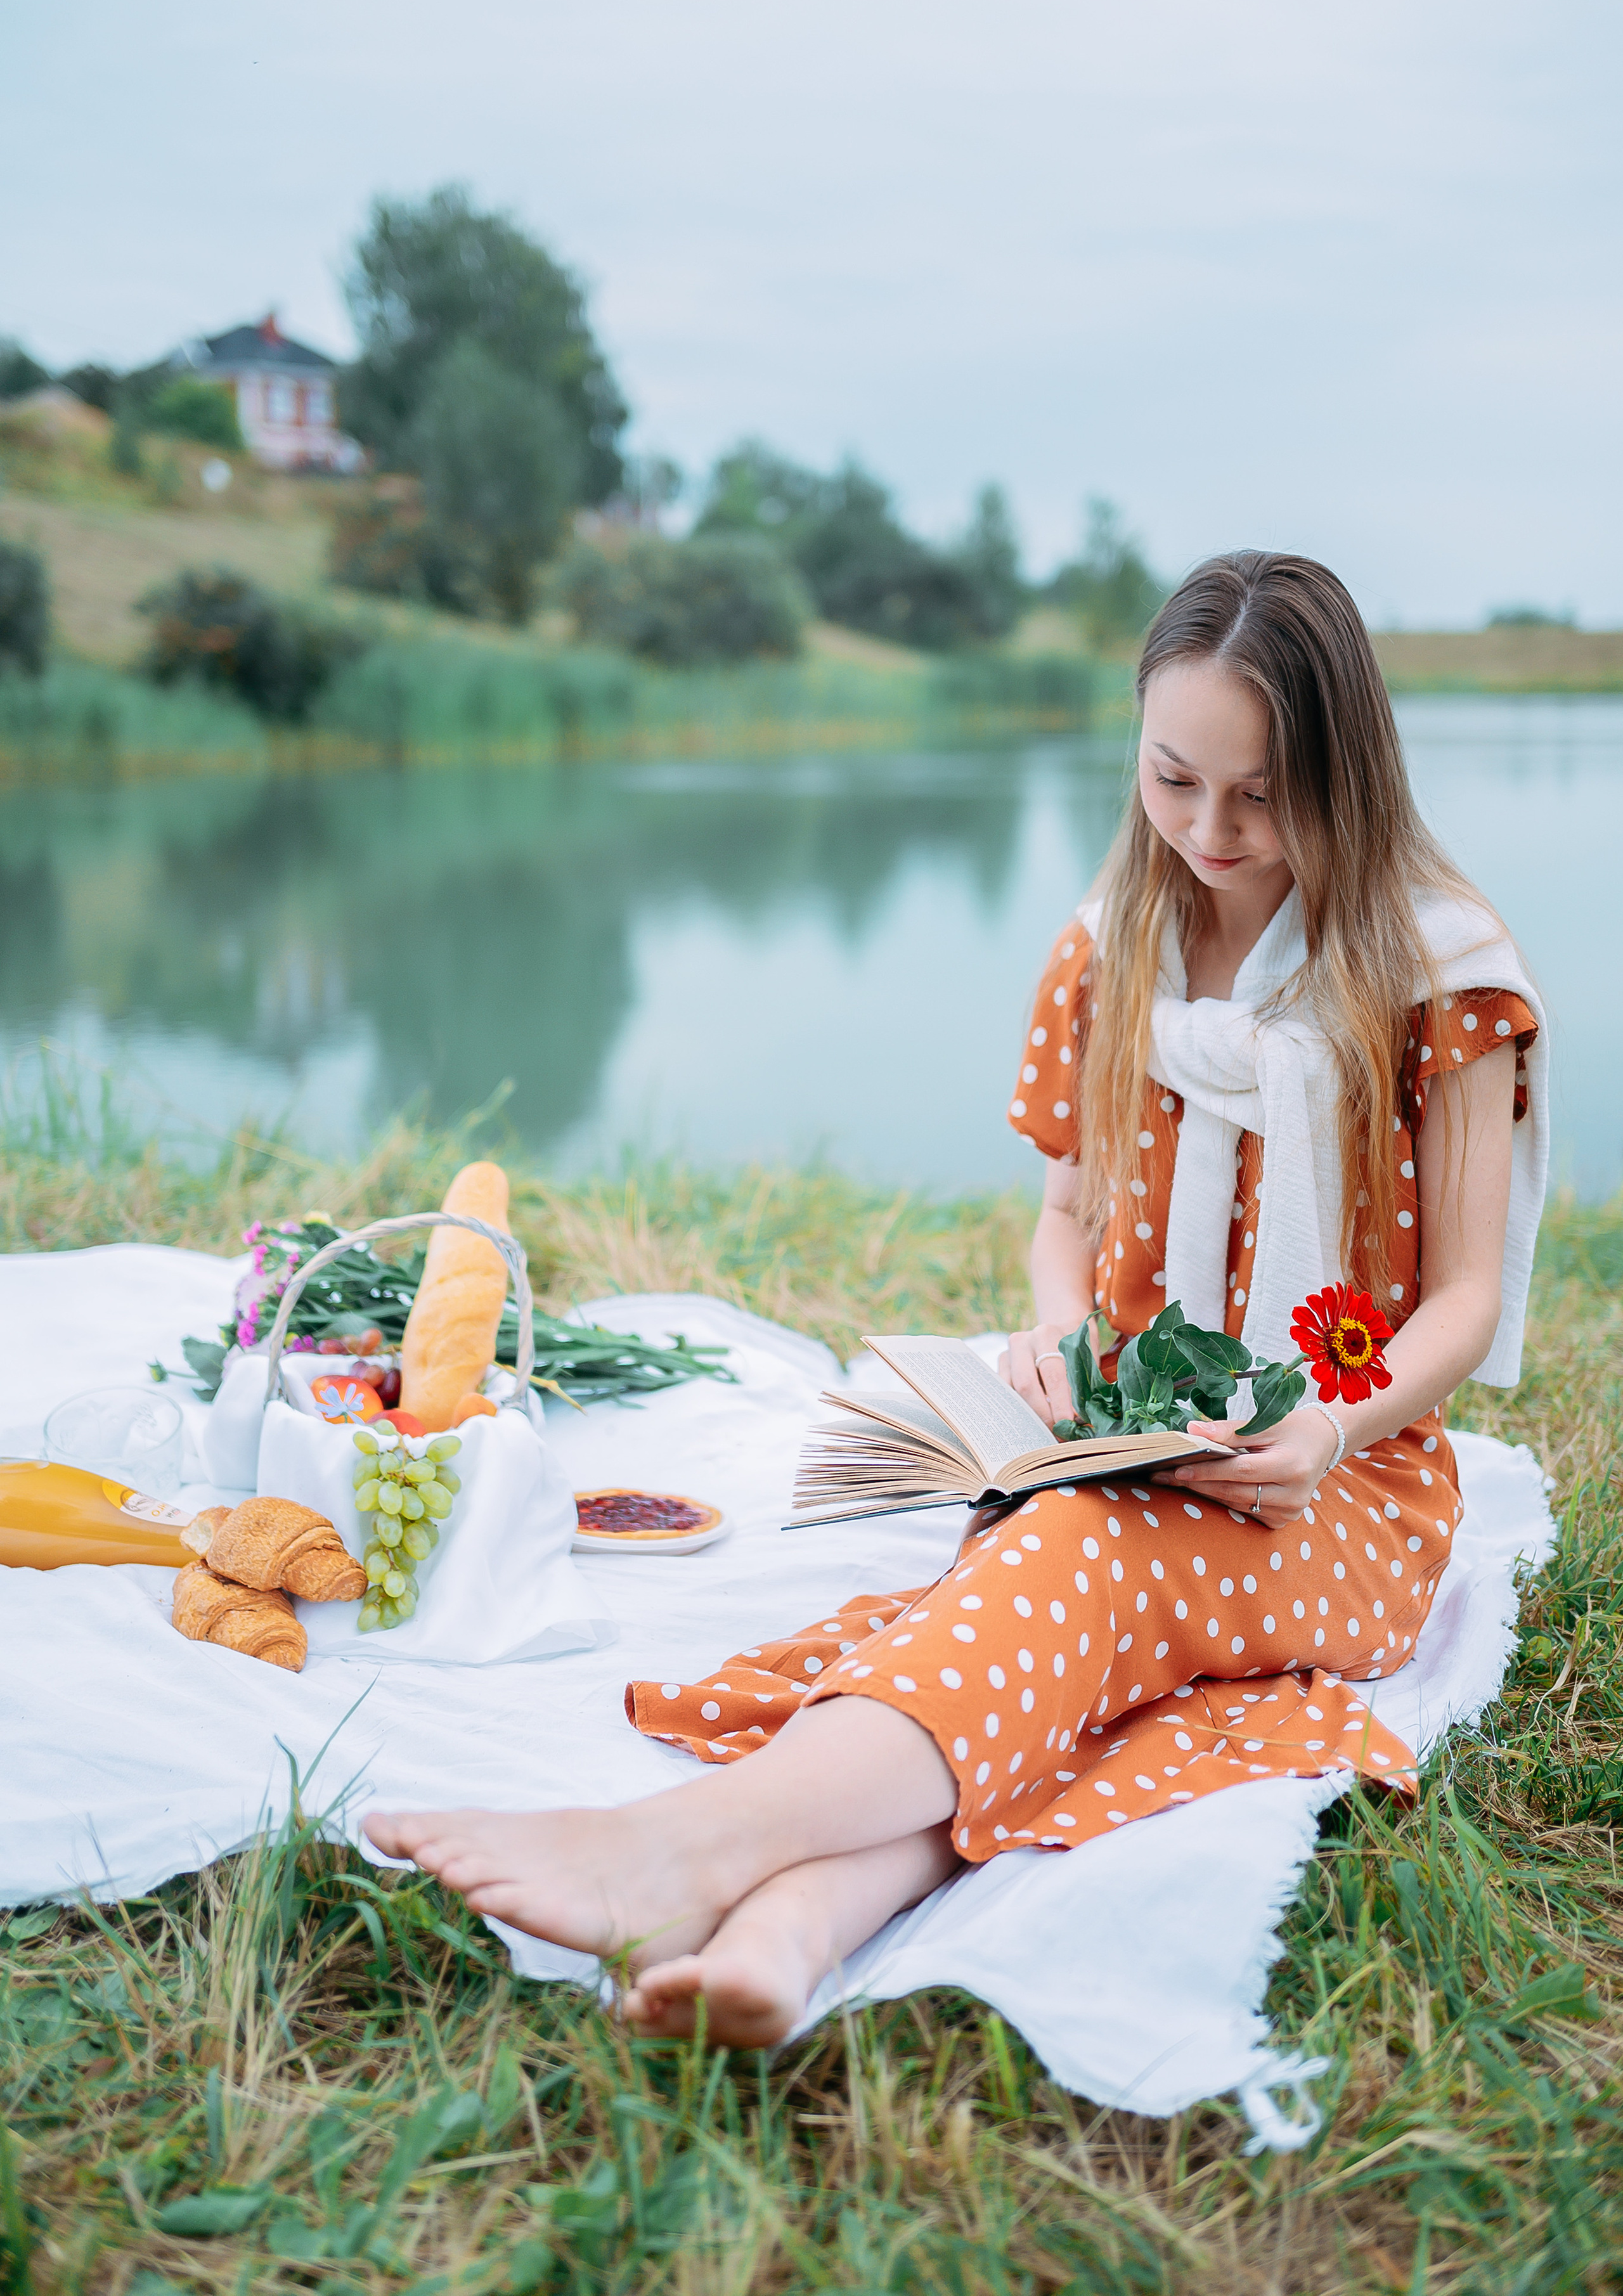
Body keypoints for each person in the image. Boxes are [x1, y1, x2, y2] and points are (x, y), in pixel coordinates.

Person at [366, 551, 1546, 2049]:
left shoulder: (1438, 973)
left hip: (1340, 1485)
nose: (1208, 831)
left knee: (1067, 1568)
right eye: (1173, 778)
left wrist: (1322, 1426)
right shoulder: (1111, 945)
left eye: (1261, 795)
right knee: (1060, 1650)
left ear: (1345, 773)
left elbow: (1459, 1300)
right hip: (1125, 1434)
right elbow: (1065, 1218)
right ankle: (792, 1931)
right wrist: (1056, 1335)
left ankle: (675, 1851)